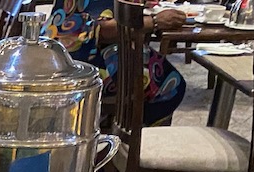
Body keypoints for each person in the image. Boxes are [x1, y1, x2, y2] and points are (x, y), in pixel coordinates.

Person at [46, 1, 188, 125]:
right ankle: (136, 143)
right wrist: (154, 21)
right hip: (76, 63)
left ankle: (117, 127)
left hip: (60, 53)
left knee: (145, 60)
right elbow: (103, 28)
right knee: (171, 86)